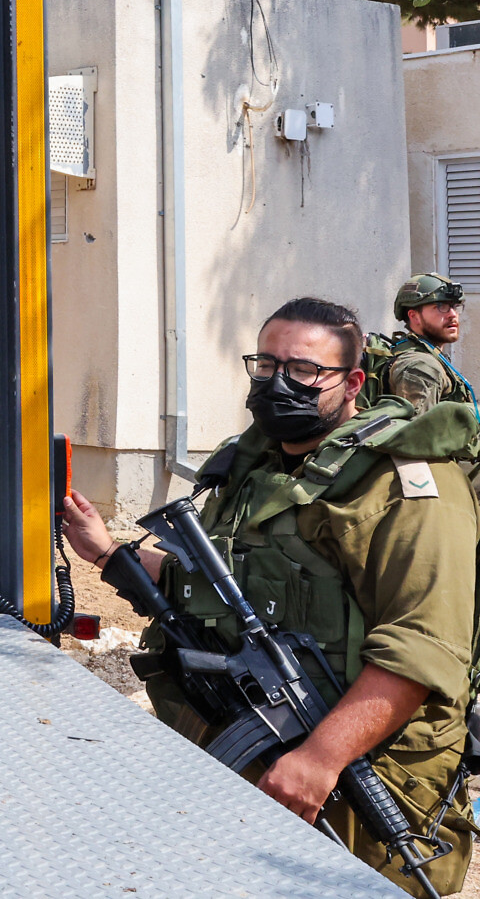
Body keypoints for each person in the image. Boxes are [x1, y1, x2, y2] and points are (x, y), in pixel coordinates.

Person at [64, 296, 479, 898]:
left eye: (306, 370)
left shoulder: (407, 483)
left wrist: (320, 759)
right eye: (267, 365)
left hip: (365, 772)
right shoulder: (253, 467)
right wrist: (108, 554)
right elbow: (219, 586)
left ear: (353, 381)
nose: (280, 383)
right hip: (258, 742)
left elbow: (421, 648)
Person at [383, 274, 476, 412]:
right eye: (441, 306)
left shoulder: (429, 354)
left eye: (455, 306)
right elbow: (418, 429)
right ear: (414, 316)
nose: (453, 314)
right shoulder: (421, 366)